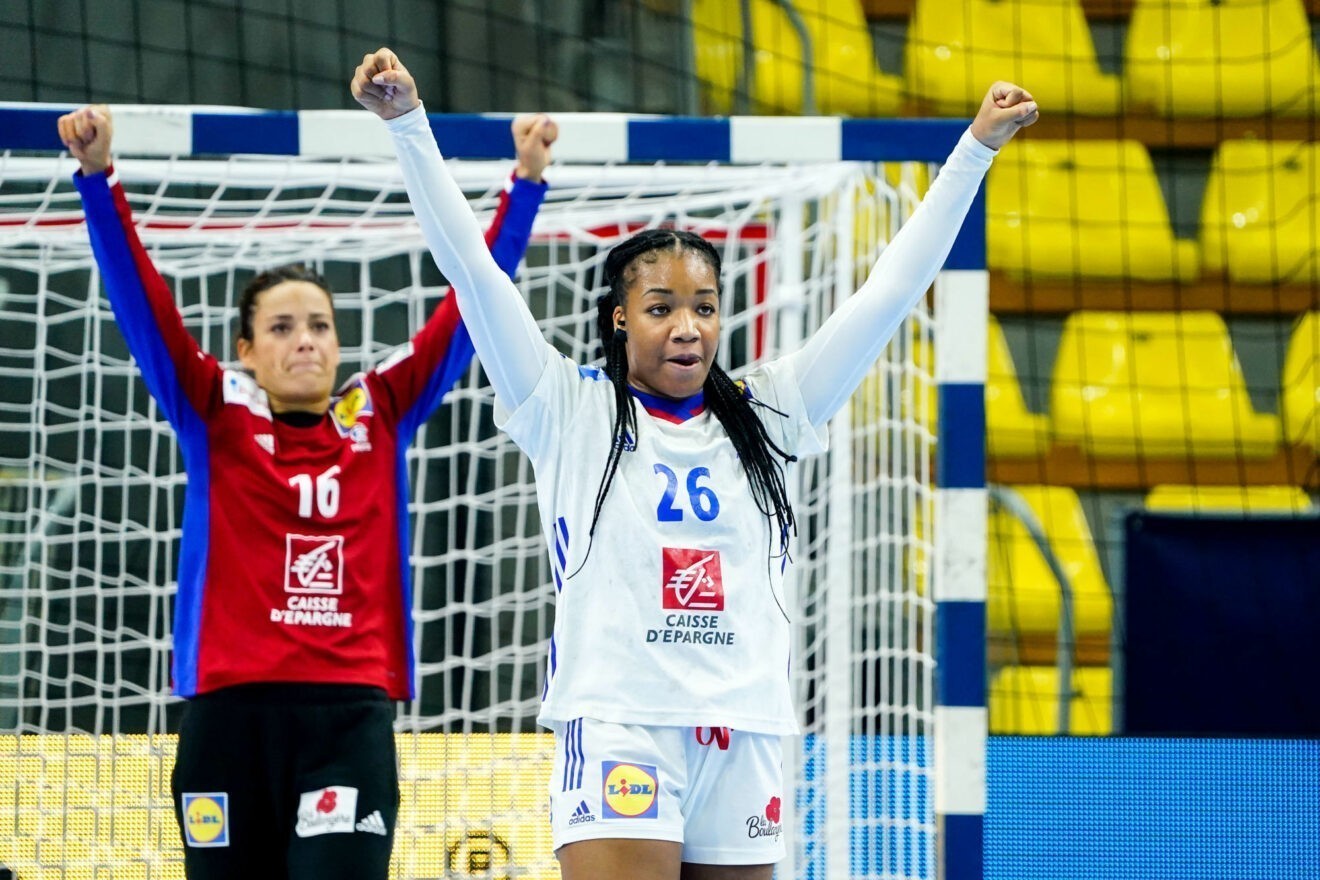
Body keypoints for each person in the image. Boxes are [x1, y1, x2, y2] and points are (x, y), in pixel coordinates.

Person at [353, 47, 1037, 880]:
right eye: (662, 307)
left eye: (705, 307)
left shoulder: (772, 409)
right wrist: (409, 126)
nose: (687, 327)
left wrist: (975, 150)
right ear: (617, 320)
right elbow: (471, 271)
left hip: (744, 730)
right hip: (619, 727)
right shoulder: (565, 406)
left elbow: (888, 293)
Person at [56, 102, 557, 879]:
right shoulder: (213, 409)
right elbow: (143, 310)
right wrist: (98, 179)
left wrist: (523, 188)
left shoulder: (380, 407)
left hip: (347, 717)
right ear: (246, 350)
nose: (306, 341)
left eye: (320, 326)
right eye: (284, 327)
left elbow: (469, 313)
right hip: (228, 715)